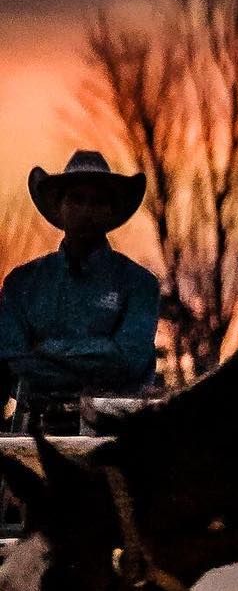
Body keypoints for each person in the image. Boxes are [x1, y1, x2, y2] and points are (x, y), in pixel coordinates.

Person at [0, 150, 160, 425]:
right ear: (59, 207)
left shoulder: (140, 284)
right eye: (76, 199)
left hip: (117, 434)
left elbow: (129, 361)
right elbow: (11, 361)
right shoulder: (22, 283)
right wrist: (100, 355)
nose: (87, 210)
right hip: (32, 428)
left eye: (98, 201)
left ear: (112, 212)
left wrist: (46, 348)